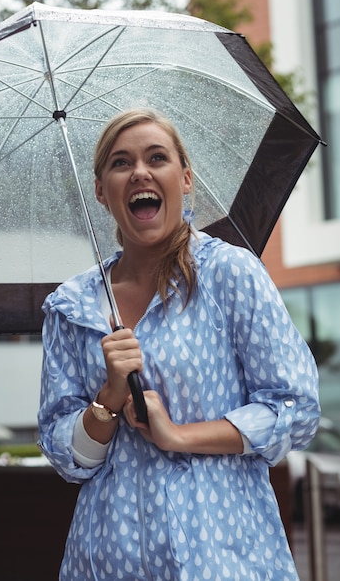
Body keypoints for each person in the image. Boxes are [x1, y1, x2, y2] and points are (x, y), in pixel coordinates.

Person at [38, 108, 320, 581]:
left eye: (157, 158)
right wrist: (106, 399)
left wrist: (179, 435)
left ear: (185, 178)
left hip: (223, 554)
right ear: (101, 191)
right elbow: (69, 459)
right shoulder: (72, 306)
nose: (140, 172)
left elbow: (294, 406)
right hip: (107, 558)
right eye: (121, 163)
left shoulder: (230, 273)